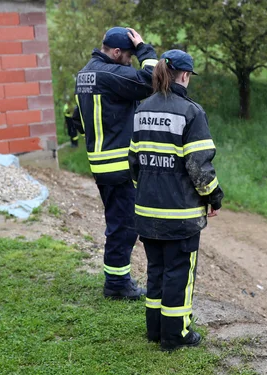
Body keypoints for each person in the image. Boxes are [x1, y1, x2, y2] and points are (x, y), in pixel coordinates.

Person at [129, 49, 224, 351]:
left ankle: (155, 330)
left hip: (146, 210)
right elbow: (199, 167)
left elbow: (134, 162)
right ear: (185, 75)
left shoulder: (142, 108)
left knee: (156, 269)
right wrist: (214, 197)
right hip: (180, 215)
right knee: (179, 274)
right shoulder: (191, 112)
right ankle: (176, 335)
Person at [74, 27, 158, 300]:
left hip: (101, 161)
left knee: (119, 223)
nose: (131, 61)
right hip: (118, 164)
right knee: (124, 226)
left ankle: (117, 279)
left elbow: (79, 119)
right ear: (117, 52)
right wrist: (145, 49)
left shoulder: (86, 73)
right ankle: (117, 284)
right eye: (130, 56)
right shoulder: (109, 73)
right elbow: (151, 81)